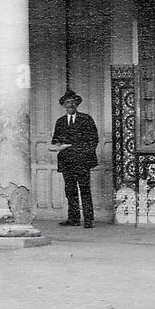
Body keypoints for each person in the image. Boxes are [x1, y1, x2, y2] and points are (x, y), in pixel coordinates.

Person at [51, 88, 98, 228]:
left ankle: (88, 220)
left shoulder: (86, 119)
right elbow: (55, 140)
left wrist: (83, 153)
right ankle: (74, 218)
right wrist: (58, 144)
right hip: (67, 161)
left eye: (72, 103)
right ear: (64, 106)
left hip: (82, 161)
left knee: (84, 189)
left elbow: (94, 139)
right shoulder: (60, 122)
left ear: (76, 104)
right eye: (67, 103)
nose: (69, 105)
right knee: (70, 190)